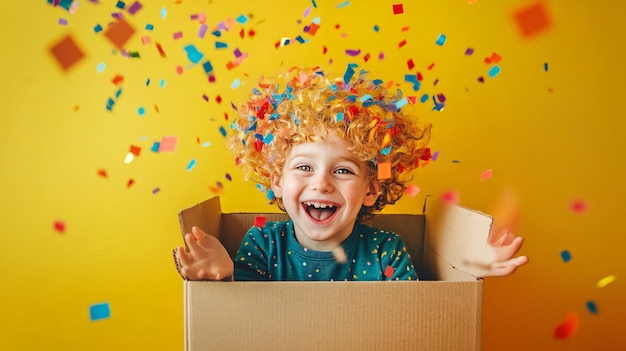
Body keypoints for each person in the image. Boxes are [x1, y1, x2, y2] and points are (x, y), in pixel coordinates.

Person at [173, 65, 528, 281]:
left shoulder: (386, 252)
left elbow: (416, 316)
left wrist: (466, 267)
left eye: (342, 170)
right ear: (278, 181)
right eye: (304, 167)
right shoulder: (263, 245)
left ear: (371, 190)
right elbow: (236, 318)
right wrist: (222, 276)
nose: (322, 182)